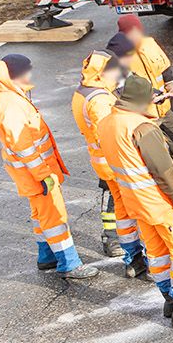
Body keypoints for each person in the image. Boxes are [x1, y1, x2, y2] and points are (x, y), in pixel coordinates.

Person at [98, 74, 173, 327]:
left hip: (134, 202)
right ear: (142, 100)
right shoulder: (141, 128)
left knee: (157, 252)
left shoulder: (107, 122)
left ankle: (170, 300)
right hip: (158, 202)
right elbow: (164, 172)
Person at [0, 54, 97, 280]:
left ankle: (46, 255)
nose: (30, 74)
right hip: (36, 171)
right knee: (54, 216)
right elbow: (23, 145)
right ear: (17, 73)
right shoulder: (10, 103)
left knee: (40, 214)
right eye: (27, 70)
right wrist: (43, 174)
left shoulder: (6, 95)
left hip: (29, 171)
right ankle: (69, 264)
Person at [114, 15, 173, 196]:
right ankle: (170, 192)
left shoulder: (149, 43)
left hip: (163, 109)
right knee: (159, 156)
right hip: (143, 116)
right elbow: (120, 88)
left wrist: (171, 84)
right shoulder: (119, 54)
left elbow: (164, 67)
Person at [70, 50, 127, 260]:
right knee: (115, 199)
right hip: (111, 157)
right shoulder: (99, 100)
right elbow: (109, 131)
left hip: (102, 157)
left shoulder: (85, 91)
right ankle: (112, 238)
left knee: (113, 197)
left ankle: (114, 236)